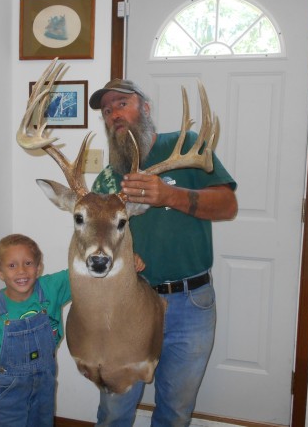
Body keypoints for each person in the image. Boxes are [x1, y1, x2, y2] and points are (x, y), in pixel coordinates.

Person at [89, 79, 238, 427]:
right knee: (114, 411)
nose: (114, 114)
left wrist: (169, 196)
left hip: (190, 303)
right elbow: (96, 246)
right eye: (107, 111)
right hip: (127, 305)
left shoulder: (186, 147)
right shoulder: (108, 179)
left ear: (145, 108)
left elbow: (228, 205)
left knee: (175, 412)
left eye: (122, 104)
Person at [0, 234, 71, 427]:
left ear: (39, 267)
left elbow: (84, 270)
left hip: (44, 390)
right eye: (12, 265)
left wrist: (126, 259)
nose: (22, 271)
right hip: (8, 394)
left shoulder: (51, 289)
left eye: (28, 263)